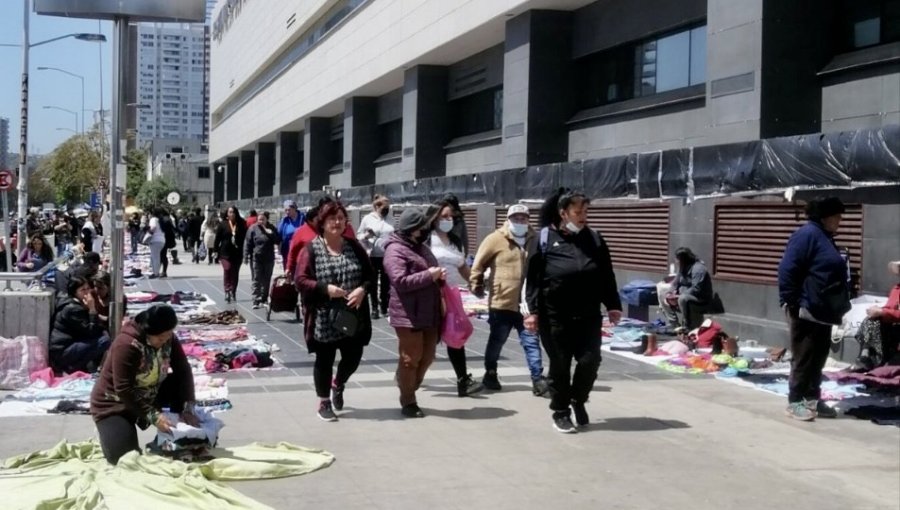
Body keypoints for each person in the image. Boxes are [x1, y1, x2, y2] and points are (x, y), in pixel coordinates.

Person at [524, 190, 622, 433]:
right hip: (554, 316)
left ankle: (578, 399)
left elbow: (606, 275)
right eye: (577, 212)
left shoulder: (595, 239)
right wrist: (531, 312)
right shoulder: (544, 239)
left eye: (585, 211)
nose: (583, 216)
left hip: (588, 315)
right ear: (563, 213)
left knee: (591, 360)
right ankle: (561, 411)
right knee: (560, 364)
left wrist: (613, 304)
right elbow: (533, 280)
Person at [90, 304, 197, 465]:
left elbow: (183, 370)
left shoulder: (169, 339)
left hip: (150, 393)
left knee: (177, 382)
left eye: (167, 336)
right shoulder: (126, 344)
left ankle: (176, 426)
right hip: (116, 404)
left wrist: (188, 406)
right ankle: (110, 431)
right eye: (160, 338)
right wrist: (154, 416)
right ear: (148, 332)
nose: (164, 341)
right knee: (124, 459)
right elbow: (123, 389)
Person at [295, 201, 373, 422]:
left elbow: (370, 274)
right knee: (324, 359)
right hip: (324, 316)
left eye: (340, 218)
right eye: (332, 218)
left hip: (352, 313)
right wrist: (325, 289)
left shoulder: (353, 246)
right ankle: (324, 401)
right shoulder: (311, 249)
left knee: (354, 356)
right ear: (323, 222)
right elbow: (300, 280)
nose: (337, 222)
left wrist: (362, 289)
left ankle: (338, 383)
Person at [778, 197, 852, 421]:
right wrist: (792, 301)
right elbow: (788, 269)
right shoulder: (807, 234)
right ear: (825, 217)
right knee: (804, 356)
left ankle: (812, 399)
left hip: (823, 310)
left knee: (818, 357)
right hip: (806, 308)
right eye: (837, 217)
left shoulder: (825, 237)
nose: (840, 221)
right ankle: (796, 401)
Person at [470, 204, 549, 396]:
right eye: (516, 218)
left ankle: (537, 379)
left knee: (531, 341)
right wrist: (476, 285)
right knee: (497, 341)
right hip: (502, 301)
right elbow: (478, 264)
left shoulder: (536, 239)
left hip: (527, 303)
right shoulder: (495, 239)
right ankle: (490, 373)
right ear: (508, 219)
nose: (520, 222)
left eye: (524, 218)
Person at [383, 208, 445, 418]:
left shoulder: (420, 247)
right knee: (411, 358)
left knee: (427, 357)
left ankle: (405, 382)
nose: (425, 231)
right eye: (422, 228)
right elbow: (399, 281)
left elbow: (432, 269)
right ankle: (408, 399)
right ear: (412, 229)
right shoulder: (395, 250)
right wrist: (429, 276)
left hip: (429, 311)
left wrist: (438, 275)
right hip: (408, 313)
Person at [426, 200, 483, 397]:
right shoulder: (426, 240)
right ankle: (407, 374)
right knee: (429, 340)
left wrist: (475, 283)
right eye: (444, 216)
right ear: (434, 219)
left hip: (452, 294)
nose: (448, 220)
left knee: (455, 335)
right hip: (431, 295)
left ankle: (462, 380)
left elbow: (462, 266)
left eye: (450, 216)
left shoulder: (455, 241)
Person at [49, 275, 111, 375]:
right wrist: (92, 309)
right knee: (104, 340)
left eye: (87, 289)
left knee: (103, 334)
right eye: (83, 290)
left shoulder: (74, 303)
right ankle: (72, 367)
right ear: (75, 292)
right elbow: (92, 332)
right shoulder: (73, 308)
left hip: (66, 347)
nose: (87, 292)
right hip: (62, 351)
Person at [285, 196, 355, 279]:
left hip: (344, 270)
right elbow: (293, 251)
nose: (336, 221)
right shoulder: (307, 236)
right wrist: (289, 267)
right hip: (313, 273)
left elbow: (354, 246)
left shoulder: (346, 229)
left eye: (340, 218)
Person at [852, 261, 900, 370]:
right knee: (871, 320)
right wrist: (879, 311)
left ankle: (873, 358)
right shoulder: (897, 289)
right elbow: (889, 308)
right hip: (893, 326)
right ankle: (866, 355)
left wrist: (882, 312)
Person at [356, 195, 394, 319]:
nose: (387, 210)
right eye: (384, 207)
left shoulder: (390, 218)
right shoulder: (368, 219)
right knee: (372, 282)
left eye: (388, 207)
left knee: (386, 282)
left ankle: (384, 306)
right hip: (372, 255)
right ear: (377, 206)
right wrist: (367, 235)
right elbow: (359, 236)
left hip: (387, 254)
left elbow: (394, 233)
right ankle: (374, 308)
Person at [659, 247, 714, 331]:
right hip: (682, 294)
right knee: (663, 294)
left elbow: (696, 288)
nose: (676, 261)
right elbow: (676, 282)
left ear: (683, 259)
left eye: (677, 259)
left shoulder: (698, 269)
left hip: (700, 298)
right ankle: (674, 323)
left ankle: (687, 324)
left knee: (683, 298)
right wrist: (672, 292)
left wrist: (678, 295)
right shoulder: (682, 268)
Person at [244, 211, 282, 309]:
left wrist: (271, 234)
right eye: (259, 219)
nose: (261, 221)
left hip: (269, 258)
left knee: (266, 280)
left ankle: (264, 298)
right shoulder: (253, 228)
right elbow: (248, 243)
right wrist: (246, 256)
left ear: (267, 219)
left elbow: (278, 240)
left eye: (263, 219)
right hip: (257, 258)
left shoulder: (271, 228)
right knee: (256, 279)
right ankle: (255, 300)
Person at [215, 206, 247, 303]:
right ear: (227, 214)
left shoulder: (241, 224)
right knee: (227, 269)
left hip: (237, 253)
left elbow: (245, 238)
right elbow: (217, 239)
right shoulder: (223, 225)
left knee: (235, 272)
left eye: (233, 212)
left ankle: (233, 291)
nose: (231, 214)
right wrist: (215, 251)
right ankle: (227, 290)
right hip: (225, 252)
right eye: (230, 212)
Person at [278, 200, 305, 270]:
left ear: (295, 209)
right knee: (288, 270)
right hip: (287, 249)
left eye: (289, 210)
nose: (287, 212)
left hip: (300, 249)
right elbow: (279, 234)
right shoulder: (284, 221)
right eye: (285, 210)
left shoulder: (303, 218)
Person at [147, 209, 167, 278]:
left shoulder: (153, 219)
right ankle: (155, 272)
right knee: (156, 256)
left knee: (155, 257)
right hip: (161, 240)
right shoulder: (160, 220)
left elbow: (153, 228)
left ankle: (155, 273)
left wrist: (148, 233)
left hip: (155, 240)